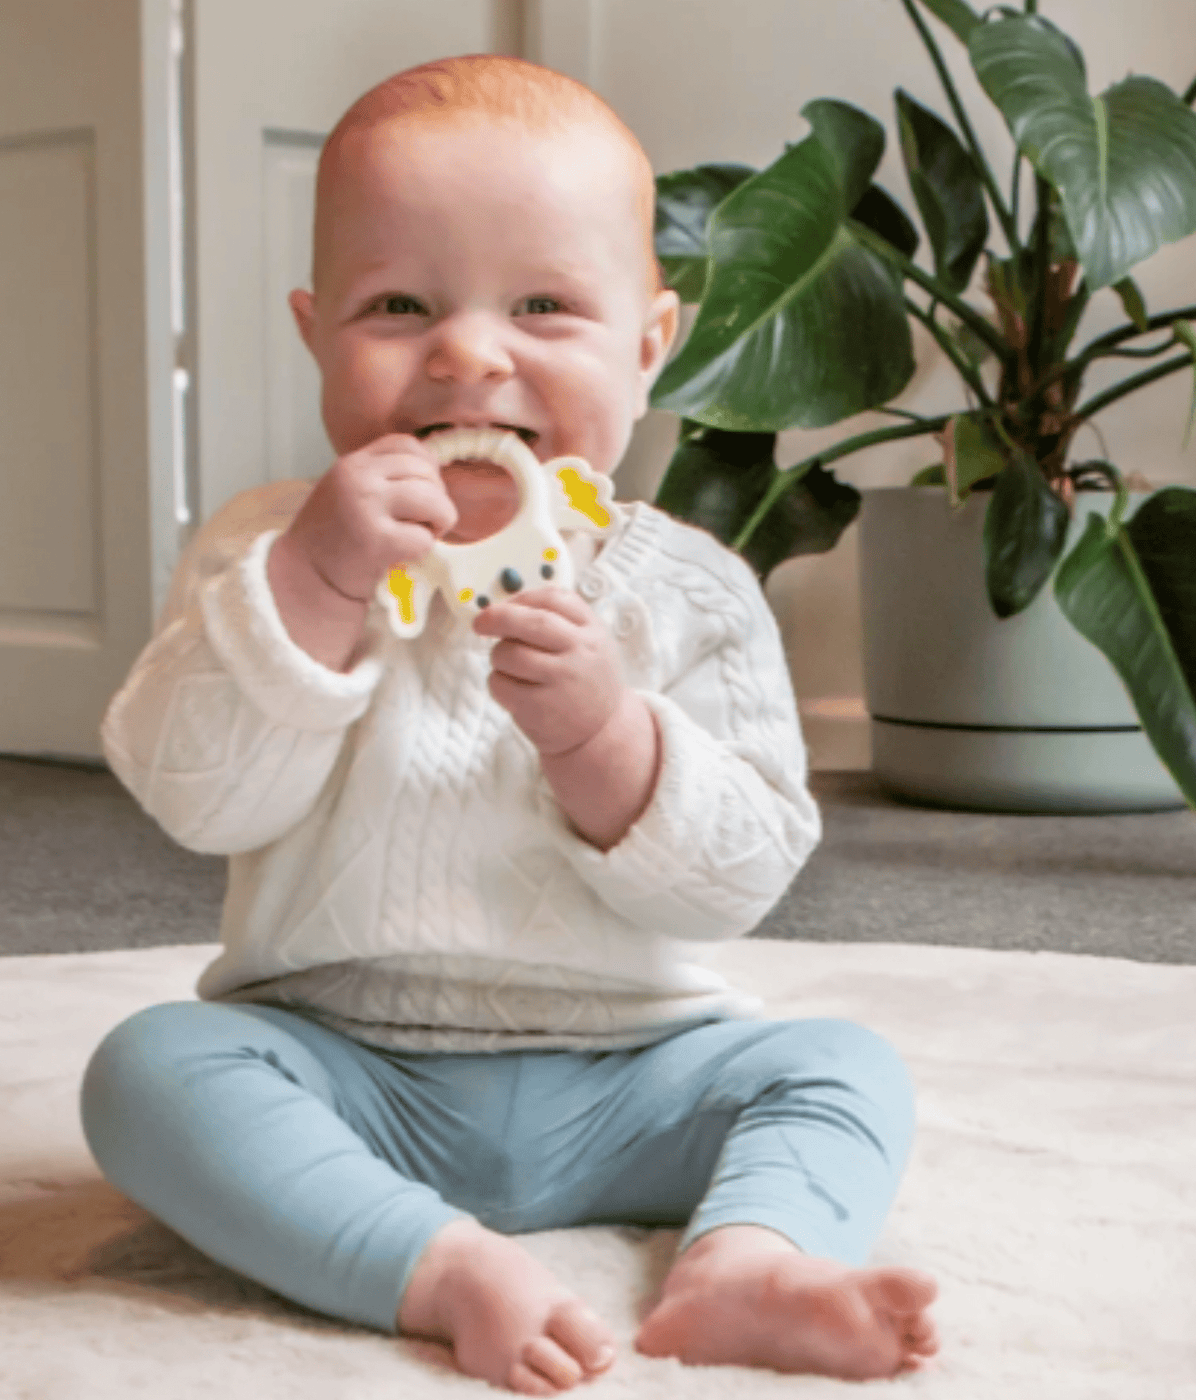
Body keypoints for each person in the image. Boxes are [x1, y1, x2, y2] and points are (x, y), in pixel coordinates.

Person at [81, 53, 939, 1395]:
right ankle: (430, 1264)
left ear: (647, 350)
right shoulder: (268, 552)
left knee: (841, 1071)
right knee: (147, 1074)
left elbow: (742, 879)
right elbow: (197, 797)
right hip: (343, 1065)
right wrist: (316, 589)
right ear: (316, 336)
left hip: (635, 1073)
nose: (470, 351)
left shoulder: (690, 592)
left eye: (543, 304)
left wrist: (609, 741)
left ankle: (746, 1263)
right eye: (399, 304)